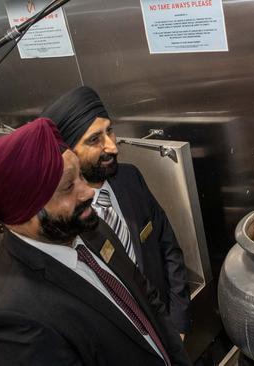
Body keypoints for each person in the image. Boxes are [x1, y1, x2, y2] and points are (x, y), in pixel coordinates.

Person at [0, 118, 191, 366]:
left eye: (81, 177)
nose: (88, 192)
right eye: (68, 186)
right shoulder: (9, 321)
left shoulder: (85, 225)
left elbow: (144, 295)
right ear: (24, 213)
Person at [41, 87, 191, 338]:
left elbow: (168, 247)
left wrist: (178, 321)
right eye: (94, 139)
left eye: (109, 131)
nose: (111, 146)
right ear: (67, 152)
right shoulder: (66, 217)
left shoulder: (130, 178)